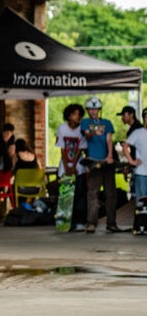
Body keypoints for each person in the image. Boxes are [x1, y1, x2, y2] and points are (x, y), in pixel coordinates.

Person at [81, 96, 120, 233]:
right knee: (93, 193)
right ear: (87, 110)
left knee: (111, 193)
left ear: (99, 109)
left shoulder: (107, 122)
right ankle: (91, 223)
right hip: (93, 160)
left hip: (106, 161)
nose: (93, 111)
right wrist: (94, 132)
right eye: (90, 109)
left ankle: (111, 223)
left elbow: (109, 140)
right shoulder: (85, 122)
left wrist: (110, 155)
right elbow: (87, 135)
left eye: (95, 108)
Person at [55, 103, 89, 232]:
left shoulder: (81, 129)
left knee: (79, 194)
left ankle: (79, 221)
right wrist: (67, 167)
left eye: (79, 114)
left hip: (79, 167)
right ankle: (65, 221)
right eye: (75, 114)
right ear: (69, 116)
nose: (77, 117)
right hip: (64, 168)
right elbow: (62, 150)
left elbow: (80, 150)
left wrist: (74, 166)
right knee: (65, 196)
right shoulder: (62, 128)